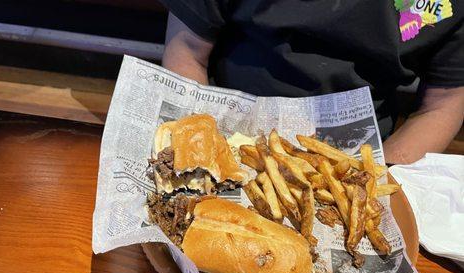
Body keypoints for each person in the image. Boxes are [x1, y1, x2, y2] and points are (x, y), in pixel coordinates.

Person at [159, 1, 464, 164]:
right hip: (230, 135)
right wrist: (203, 154)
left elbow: (444, 103)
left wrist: (377, 180)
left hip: (358, 157)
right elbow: (187, 50)